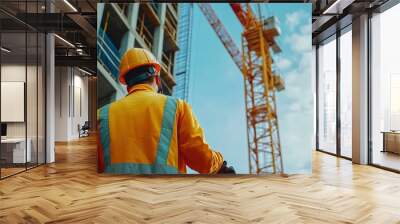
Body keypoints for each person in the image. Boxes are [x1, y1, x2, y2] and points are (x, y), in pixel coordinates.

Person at [97, 48, 235, 174]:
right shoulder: (176, 106)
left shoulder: (102, 115)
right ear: (156, 78)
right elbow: (200, 157)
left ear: (127, 84)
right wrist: (220, 165)